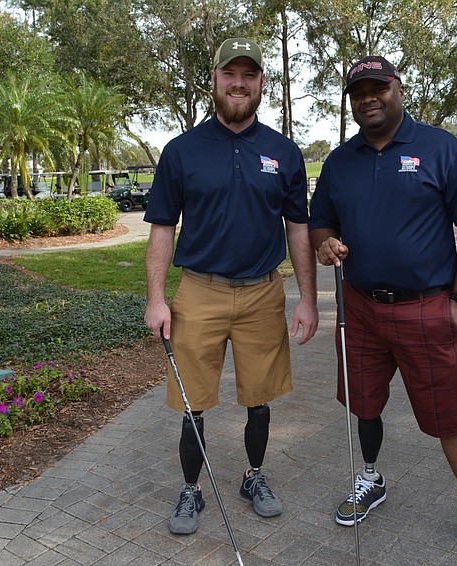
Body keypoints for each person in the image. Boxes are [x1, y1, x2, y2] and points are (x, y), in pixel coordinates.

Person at [309, 55, 457, 566]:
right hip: (359, 308)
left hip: (428, 309)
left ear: (398, 88)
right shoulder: (339, 161)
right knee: (363, 402)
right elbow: (320, 224)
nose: (368, 99)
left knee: (451, 415)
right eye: (358, 93)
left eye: (377, 88)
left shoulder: (442, 149)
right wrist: (325, 244)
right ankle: (372, 478)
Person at [144, 37, 319, 536]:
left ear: (262, 82)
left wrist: (307, 298)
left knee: (259, 398)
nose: (238, 83)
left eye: (249, 75)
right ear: (215, 81)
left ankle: (254, 476)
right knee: (191, 400)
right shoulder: (182, 152)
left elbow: (298, 229)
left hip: (264, 292)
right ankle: (191, 490)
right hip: (199, 291)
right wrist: (157, 299)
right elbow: (161, 228)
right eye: (229, 74)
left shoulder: (284, 153)